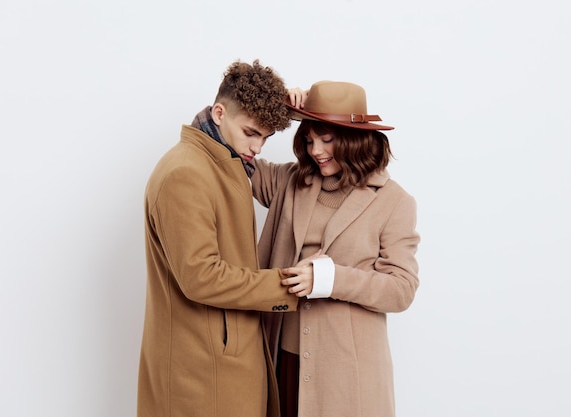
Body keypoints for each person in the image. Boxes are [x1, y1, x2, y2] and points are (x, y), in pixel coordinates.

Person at [137, 60, 318, 417]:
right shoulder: (186, 172)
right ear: (219, 113)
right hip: (201, 371)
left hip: (219, 362)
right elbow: (200, 276)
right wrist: (288, 286)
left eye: (265, 137)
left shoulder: (225, 163)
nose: (259, 146)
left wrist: (297, 108)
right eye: (251, 132)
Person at [252, 81, 420, 417]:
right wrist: (277, 107)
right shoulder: (291, 181)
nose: (316, 151)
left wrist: (329, 279)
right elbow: (232, 154)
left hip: (346, 372)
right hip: (283, 356)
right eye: (310, 139)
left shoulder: (394, 202)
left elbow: (402, 290)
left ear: (354, 139)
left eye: (327, 140)